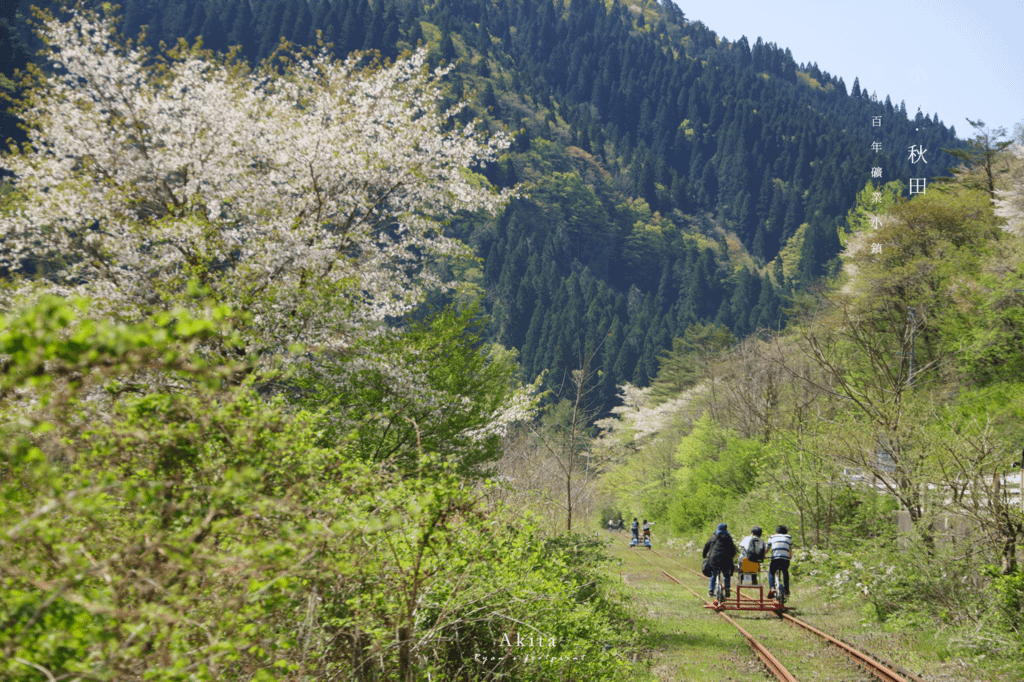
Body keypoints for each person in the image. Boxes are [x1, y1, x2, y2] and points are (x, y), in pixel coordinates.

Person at [702, 523, 737, 599]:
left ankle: (711, 591)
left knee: (713, 574)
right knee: (726, 574)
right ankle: (727, 588)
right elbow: (733, 550)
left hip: (714, 559)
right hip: (726, 559)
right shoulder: (728, 538)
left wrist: (704, 555)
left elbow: (706, 547)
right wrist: (731, 557)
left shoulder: (713, 537)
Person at [766, 524, 793, 599]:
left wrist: (763, 555)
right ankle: (787, 589)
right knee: (785, 571)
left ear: (776, 532)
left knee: (771, 572)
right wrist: (790, 556)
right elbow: (790, 549)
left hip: (775, 559)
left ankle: (772, 588)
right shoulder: (788, 537)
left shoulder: (772, 537)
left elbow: (767, 548)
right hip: (785, 559)